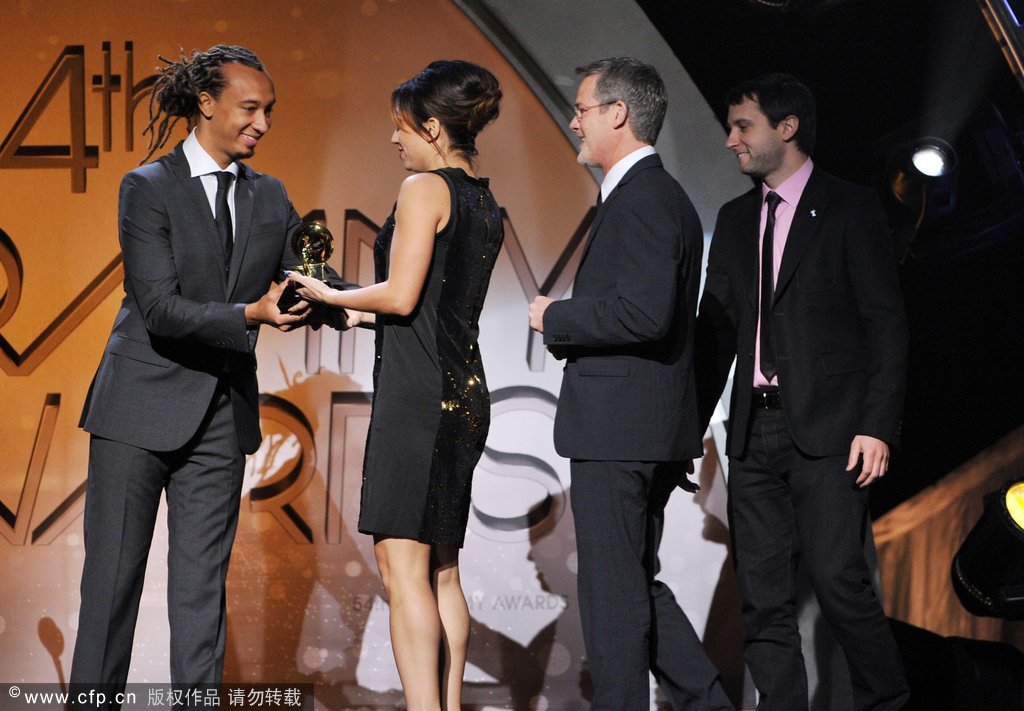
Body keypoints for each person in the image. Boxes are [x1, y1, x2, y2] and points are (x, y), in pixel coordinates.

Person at [70, 45, 348, 698]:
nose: (263, 123)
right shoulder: (146, 188)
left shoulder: (271, 194)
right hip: (135, 412)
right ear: (207, 103)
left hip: (219, 419)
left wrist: (368, 302)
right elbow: (161, 308)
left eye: (269, 111)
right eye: (250, 108)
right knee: (111, 590)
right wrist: (250, 312)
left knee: (200, 601)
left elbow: (308, 278)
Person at [287, 59, 503, 711]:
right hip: (463, 394)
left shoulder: (423, 190)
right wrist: (344, 303)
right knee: (441, 568)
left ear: (433, 127)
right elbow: (424, 302)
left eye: (401, 127)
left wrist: (325, 288)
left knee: (401, 569)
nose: (394, 139)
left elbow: (404, 296)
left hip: (416, 400)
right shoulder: (485, 200)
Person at [694, 73, 910, 710]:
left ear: (786, 129)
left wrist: (878, 425)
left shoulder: (848, 206)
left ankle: (886, 703)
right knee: (762, 595)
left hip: (831, 428)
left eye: (743, 127)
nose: (731, 140)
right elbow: (716, 334)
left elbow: (885, 323)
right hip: (753, 429)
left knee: (840, 582)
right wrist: (688, 431)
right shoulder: (735, 219)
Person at [527, 57, 733, 711]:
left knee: (614, 604)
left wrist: (554, 316)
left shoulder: (643, 198)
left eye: (582, 110)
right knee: (633, 587)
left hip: (621, 431)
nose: (573, 122)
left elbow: (646, 314)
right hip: (637, 428)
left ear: (618, 114)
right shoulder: (650, 196)